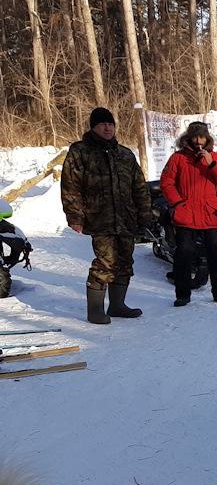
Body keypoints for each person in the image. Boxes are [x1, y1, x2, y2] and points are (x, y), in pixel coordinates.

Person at [61, 107, 153, 324]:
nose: (108, 128)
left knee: (125, 262)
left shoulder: (125, 154)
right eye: (103, 124)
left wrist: (145, 213)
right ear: (93, 127)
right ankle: (95, 310)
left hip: (126, 218)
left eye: (110, 124)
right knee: (105, 263)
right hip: (99, 218)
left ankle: (117, 305)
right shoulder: (81, 151)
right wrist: (75, 216)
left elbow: (139, 187)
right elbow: (70, 185)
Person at [160, 121, 217, 306]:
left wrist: (211, 164)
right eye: (195, 136)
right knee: (183, 258)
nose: (198, 140)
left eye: (202, 136)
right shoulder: (177, 158)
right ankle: (182, 295)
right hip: (185, 215)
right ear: (187, 138)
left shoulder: (216, 158)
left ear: (207, 139)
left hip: (210, 214)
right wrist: (178, 203)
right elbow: (166, 182)